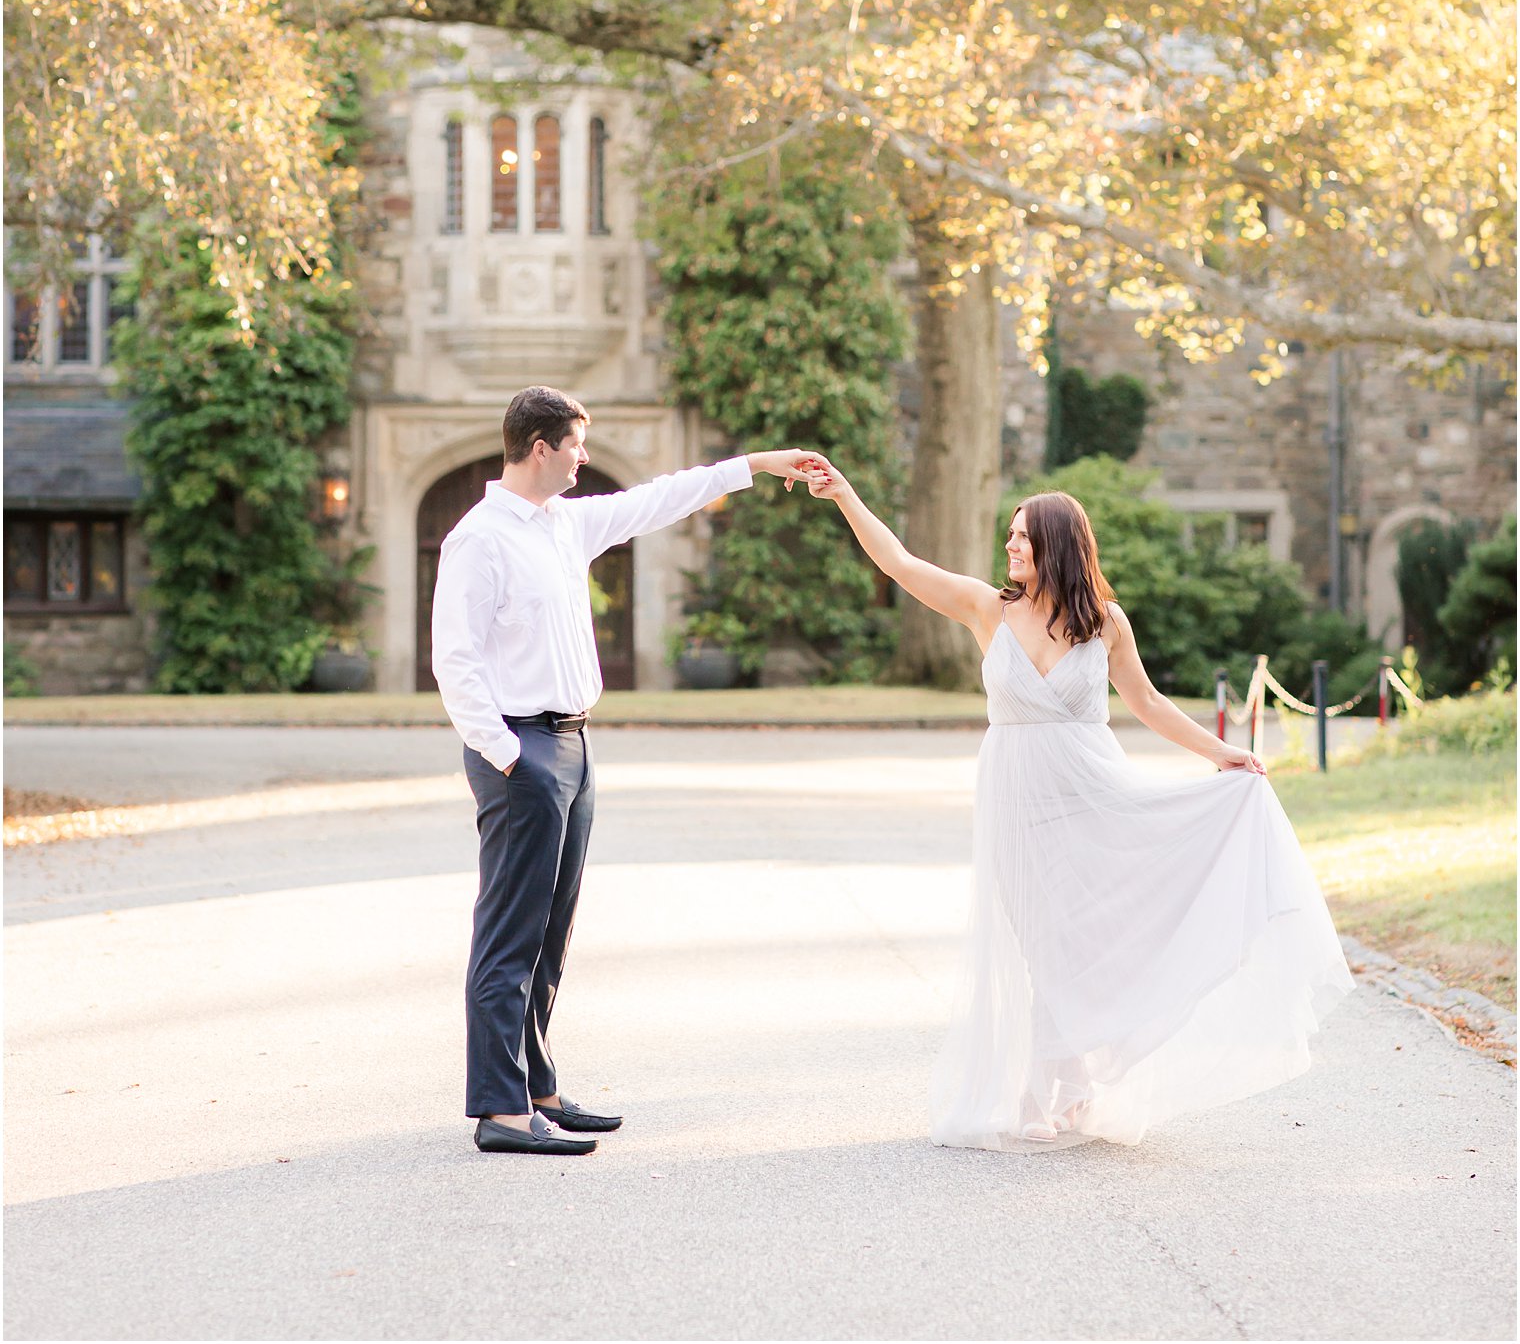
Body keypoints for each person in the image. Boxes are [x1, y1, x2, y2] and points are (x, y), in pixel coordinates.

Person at [802, 463, 1354, 1150]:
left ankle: (1049, 1090)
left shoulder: (1105, 623)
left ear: (1058, 546)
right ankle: (1065, 1084)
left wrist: (1221, 754)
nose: (1010, 547)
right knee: (1043, 945)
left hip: (1094, 799)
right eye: (1009, 535)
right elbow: (900, 561)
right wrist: (846, 494)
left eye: (1023, 538)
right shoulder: (987, 608)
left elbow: (1147, 703)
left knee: (1089, 945)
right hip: (1016, 804)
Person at [431, 382, 823, 1156]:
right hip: (521, 749)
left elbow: (658, 499)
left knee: (551, 932)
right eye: (576, 444)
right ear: (539, 446)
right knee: (509, 934)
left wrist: (756, 464)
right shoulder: (479, 539)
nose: (585, 456)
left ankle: (537, 1085)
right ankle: (501, 1110)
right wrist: (509, 756)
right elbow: (456, 660)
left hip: (574, 743)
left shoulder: (565, 524)